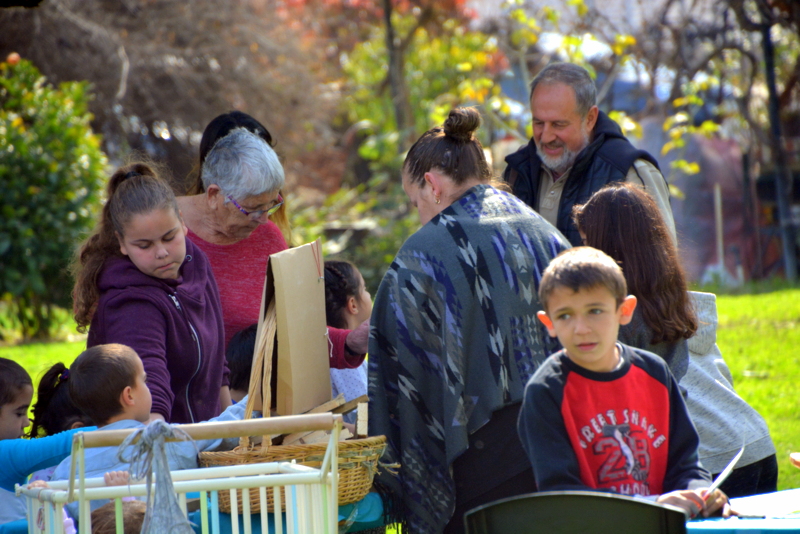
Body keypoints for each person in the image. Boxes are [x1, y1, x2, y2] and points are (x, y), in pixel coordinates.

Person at [369, 107, 571, 534]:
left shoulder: (423, 255)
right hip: (561, 444)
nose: (419, 213)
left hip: (479, 470)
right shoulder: (546, 232)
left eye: (415, 202)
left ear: (432, 185)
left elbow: (404, 369)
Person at [573, 183, 778, 498]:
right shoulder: (672, 300)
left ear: (605, 247)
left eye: (587, 243)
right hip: (752, 440)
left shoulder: (620, 317)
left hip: (711, 460)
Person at [518, 247, 729, 518]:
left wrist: (699, 494)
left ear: (625, 310)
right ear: (548, 323)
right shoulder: (546, 392)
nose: (581, 328)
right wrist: (652, 508)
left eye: (595, 311)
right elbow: (562, 496)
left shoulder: (655, 372)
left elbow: (687, 465)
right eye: (565, 316)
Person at [176, 125, 368, 366]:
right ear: (214, 195)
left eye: (272, 204)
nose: (265, 219)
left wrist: (350, 342)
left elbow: (296, 328)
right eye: (254, 208)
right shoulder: (162, 234)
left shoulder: (267, 237)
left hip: (254, 396)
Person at [71, 163, 230, 424]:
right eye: (144, 245)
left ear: (182, 222)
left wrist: (233, 432)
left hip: (204, 443)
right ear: (121, 242)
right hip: (157, 447)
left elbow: (217, 365)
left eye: (169, 237)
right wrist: (158, 444)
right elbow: (149, 380)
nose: (161, 252)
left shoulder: (195, 262)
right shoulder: (128, 302)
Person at [50, 344, 248, 520]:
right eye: (144, 380)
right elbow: (222, 430)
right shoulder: (163, 442)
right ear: (129, 395)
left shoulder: (65, 471)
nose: (148, 387)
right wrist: (256, 399)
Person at [502, 62, 675, 246]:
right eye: (538, 123)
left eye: (558, 125)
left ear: (590, 119)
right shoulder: (517, 170)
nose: (546, 137)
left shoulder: (631, 174)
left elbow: (660, 268)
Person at [0, 358, 95, 526]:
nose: (27, 422)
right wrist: (125, 430)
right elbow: (66, 443)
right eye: (19, 413)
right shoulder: (5, 455)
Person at [324, 260, 371, 413]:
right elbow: (364, 417)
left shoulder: (326, 355)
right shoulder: (347, 366)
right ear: (353, 305)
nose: (368, 294)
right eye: (364, 289)